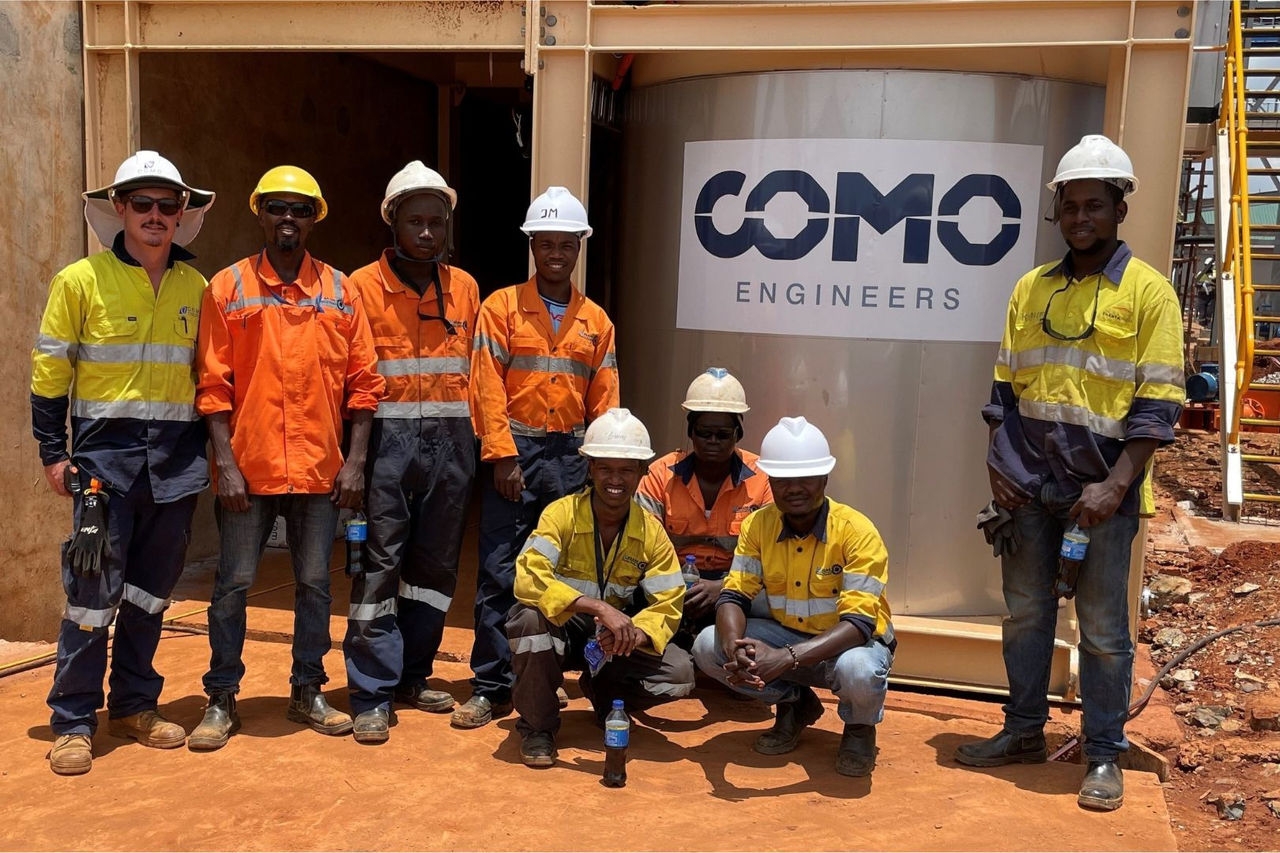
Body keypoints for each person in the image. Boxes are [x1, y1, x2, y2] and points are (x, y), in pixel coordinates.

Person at [954, 135, 1184, 812]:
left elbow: (1159, 404)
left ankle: (1103, 753)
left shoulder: (1149, 294)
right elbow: (1004, 393)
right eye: (1070, 205)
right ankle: (1023, 730)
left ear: (1118, 208)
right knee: (1025, 614)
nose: (1081, 216)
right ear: (1056, 211)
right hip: (1028, 489)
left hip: (1101, 496)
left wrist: (1117, 484)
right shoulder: (1031, 289)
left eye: (1095, 204)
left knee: (1105, 630)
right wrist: (998, 466)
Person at [31, 151, 215, 775]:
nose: (156, 215)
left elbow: (210, 380)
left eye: (169, 205)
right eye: (144, 204)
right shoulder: (79, 281)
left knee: (149, 595)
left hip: (175, 467)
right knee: (91, 595)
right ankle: (74, 721)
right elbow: (49, 375)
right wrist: (55, 455)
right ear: (120, 209)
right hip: (103, 468)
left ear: (182, 213)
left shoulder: (198, 288)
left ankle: (136, 704)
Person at [190, 165, 385, 750]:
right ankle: (222, 697)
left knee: (314, 586)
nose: (288, 219)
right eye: (277, 207)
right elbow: (212, 385)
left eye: (300, 210)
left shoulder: (340, 290)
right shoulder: (227, 289)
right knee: (233, 583)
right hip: (247, 470)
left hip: (320, 471)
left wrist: (354, 463)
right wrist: (223, 463)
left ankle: (308, 690)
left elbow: (364, 386)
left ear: (313, 219)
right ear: (259, 213)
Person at [457, 186, 620, 729]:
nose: (555, 253)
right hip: (519, 451)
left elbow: (605, 397)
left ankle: (565, 673)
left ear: (579, 248)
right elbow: (486, 387)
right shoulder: (500, 308)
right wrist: (502, 456)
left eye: (565, 244)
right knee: (502, 570)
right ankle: (491, 684)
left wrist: (600, 463)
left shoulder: (596, 321)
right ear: (532, 246)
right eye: (545, 243)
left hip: (572, 454)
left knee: (573, 570)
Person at [342, 162, 480, 744]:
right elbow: (351, 377)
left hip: (451, 446)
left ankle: (413, 675)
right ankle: (372, 693)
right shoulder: (359, 288)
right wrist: (353, 458)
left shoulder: (466, 288)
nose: (426, 232)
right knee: (379, 566)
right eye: (415, 221)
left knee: (435, 571)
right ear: (391, 221)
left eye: (437, 222)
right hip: (385, 448)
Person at [692, 416, 894, 778]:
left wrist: (783, 659)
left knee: (859, 671)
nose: (795, 488)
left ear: (825, 479)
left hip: (848, 643)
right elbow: (734, 594)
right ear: (770, 481)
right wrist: (735, 645)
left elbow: (861, 623)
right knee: (710, 645)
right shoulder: (759, 524)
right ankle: (795, 704)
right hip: (787, 635)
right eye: (784, 480)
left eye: (806, 478)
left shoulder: (856, 531)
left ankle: (860, 728)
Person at [506, 408, 694, 767]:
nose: (615, 479)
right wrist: (597, 608)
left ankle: (605, 694)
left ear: (642, 473)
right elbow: (528, 577)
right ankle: (537, 728)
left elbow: (669, 601)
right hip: (566, 628)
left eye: (626, 470)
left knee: (679, 673)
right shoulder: (560, 515)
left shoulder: (651, 532)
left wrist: (637, 634)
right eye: (605, 468)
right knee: (528, 621)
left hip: (614, 642)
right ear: (590, 468)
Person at [635, 367, 772, 647]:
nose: (712, 441)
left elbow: (774, 556)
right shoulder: (658, 475)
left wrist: (723, 588)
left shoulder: (764, 479)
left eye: (722, 435)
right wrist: (675, 587)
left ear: (738, 434)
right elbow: (639, 548)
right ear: (690, 432)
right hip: (671, 582)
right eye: (704, 433)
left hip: (737, 585)